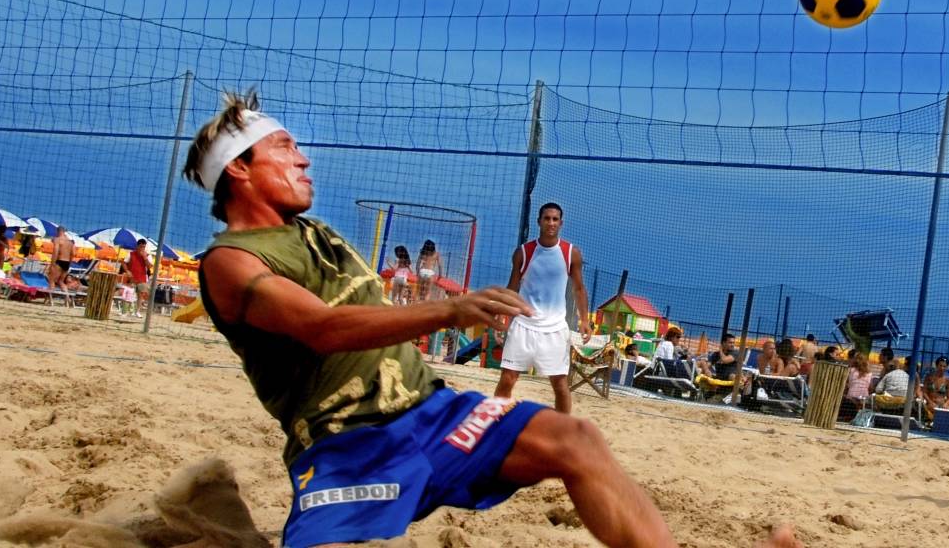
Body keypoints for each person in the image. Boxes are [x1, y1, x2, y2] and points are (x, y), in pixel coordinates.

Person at [181, 92, 795, 548]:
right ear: (239, 168)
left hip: (433, 413)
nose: (304, 159)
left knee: (575, 436)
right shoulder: (231, 263)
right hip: (351, 444)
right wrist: (450, 307)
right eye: (285, 147)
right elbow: (321, 328)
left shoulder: (312, 231)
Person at [493, 202, 593, 416]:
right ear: (539, 221)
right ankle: (493, 421)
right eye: (547, 218)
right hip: (523, 324)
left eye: (555, 219)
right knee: (508, 378)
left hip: (555, 328)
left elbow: (579, 288)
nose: (551, 223)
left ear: (561, 223)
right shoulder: (523, 252)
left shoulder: (570, 253)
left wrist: (584, 320)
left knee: (559, 384)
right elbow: (512, 288)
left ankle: (563, 429)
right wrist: (502, 316)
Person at [695, 333, 741, 400]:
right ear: (724, 343)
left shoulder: (735, 353)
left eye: (733, 343)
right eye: (730, 343)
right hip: (719, 382)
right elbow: (707, 365)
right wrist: (705, 369)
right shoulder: (716, 354)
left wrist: (720, 350)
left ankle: (728, 400)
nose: (732, 345)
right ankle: (710, 394)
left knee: (732, 376)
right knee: (705, 369)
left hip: (731, 385)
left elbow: (725, 360)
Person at [125, 238, 153, 314]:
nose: (142, 248)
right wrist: (127, 271)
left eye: (143, 247)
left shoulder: (148, 255)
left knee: (140, 295)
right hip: (132, 278)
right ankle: (126, 311)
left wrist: (145, 258)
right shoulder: (131, 254)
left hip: (142, 278)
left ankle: (137, 311)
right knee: (129, 294)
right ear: (137, 246)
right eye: (140, 246)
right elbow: (124, 263)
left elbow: (150, 266)